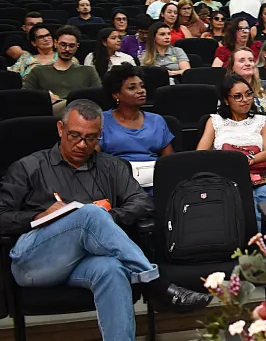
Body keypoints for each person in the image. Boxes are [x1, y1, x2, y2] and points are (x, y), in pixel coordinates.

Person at [0, 100, 211, 341]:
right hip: (34, 261)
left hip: (84, 261)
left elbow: (141, 203)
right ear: (60, 129)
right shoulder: (29, 167)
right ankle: (156, 283)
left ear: (100, 136)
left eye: (91, 138)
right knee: (89, 214)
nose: (82, 144)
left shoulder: (111, 167)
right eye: (74, 136)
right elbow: (2, 216)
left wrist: (105, 219)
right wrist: (39, 215)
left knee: (112, 269)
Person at [197, 75, 266, 233]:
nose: (245, 99)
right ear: (226, 100)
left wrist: (247, 160)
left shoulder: (262, 120)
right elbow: (201, 154)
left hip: (262, 176)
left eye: (248, 94)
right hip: (227, 178)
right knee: (244, 206)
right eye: (237, 96)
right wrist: (233, 163)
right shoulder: (215, 121)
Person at [100, 65, 176, 193]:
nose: (141, 91)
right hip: (116, 186)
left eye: (142, 86)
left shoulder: (157, 121)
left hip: (156, 186)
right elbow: (93, 161)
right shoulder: (101, 121)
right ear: (116, 94)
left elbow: (169, 162)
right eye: (132, 88)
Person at [24, 26, 101, 118]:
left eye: (71, 46)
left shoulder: (88, 71)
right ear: (55, 43)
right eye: (63, 45)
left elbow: (98, 97)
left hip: (82, 116)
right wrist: (45, 98)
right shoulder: (38, 71)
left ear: (77, 46)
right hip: (50, 116)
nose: (67, 49)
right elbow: (25, 97)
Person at [228, 47, 266, 123]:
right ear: (232, 67)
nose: (248, 64)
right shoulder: (226, 88)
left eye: (250, 60)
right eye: (242, 61)